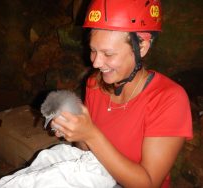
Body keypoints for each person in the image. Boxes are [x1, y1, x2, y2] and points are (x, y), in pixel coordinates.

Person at [52, 0, 193, 187]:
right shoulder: (95, 84)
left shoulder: (169, 98)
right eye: (93, 50)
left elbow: (148, 183)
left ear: (141, 47)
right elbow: (86, 152)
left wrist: (91, 134)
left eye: (108, 54)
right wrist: (76, 131)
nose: (96, 63)